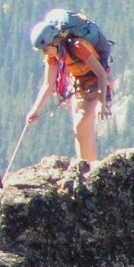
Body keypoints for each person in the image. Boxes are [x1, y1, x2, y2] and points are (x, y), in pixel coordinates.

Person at [26, 12, 112, 162]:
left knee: (81, 127)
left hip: (96, 83)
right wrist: (35, 111)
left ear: (54, 41)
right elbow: (48, 84)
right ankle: (84, 166)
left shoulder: (78, 47)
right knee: (79, 131)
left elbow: (102, 74)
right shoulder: (53, 56)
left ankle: (89, 168)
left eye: (45, 49)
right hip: (79, 83)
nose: (44, 52)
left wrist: (102, 103)